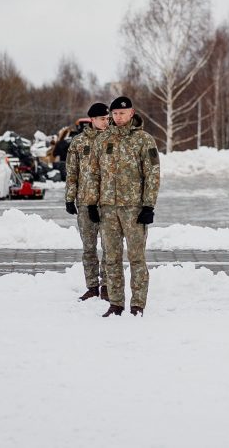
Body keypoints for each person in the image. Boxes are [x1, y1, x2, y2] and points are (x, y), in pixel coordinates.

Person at [83, 96, 160, 317]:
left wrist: (148, 206)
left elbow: (152, 174)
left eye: (122, 113)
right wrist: (91, 203)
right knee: (112, 258)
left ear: (132, 113)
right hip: (108, 209)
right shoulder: (102, 139)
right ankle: (116, 303)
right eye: (114, 114)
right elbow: (93, 173)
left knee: (136, 258)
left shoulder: (144, 140)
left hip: (134, 209)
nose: (118, 117)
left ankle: (137, 305)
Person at [64, 103, 111, 301]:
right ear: (92, 119)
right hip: (84, 202)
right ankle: (92, 286)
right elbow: (72, 172)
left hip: (109, 203)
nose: (106, 122)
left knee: (110, 247)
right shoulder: (78, 142)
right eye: (102, 118)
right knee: (89, 248)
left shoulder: (114, 139)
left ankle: (107, 287)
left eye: (107, 118)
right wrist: (69, 198)